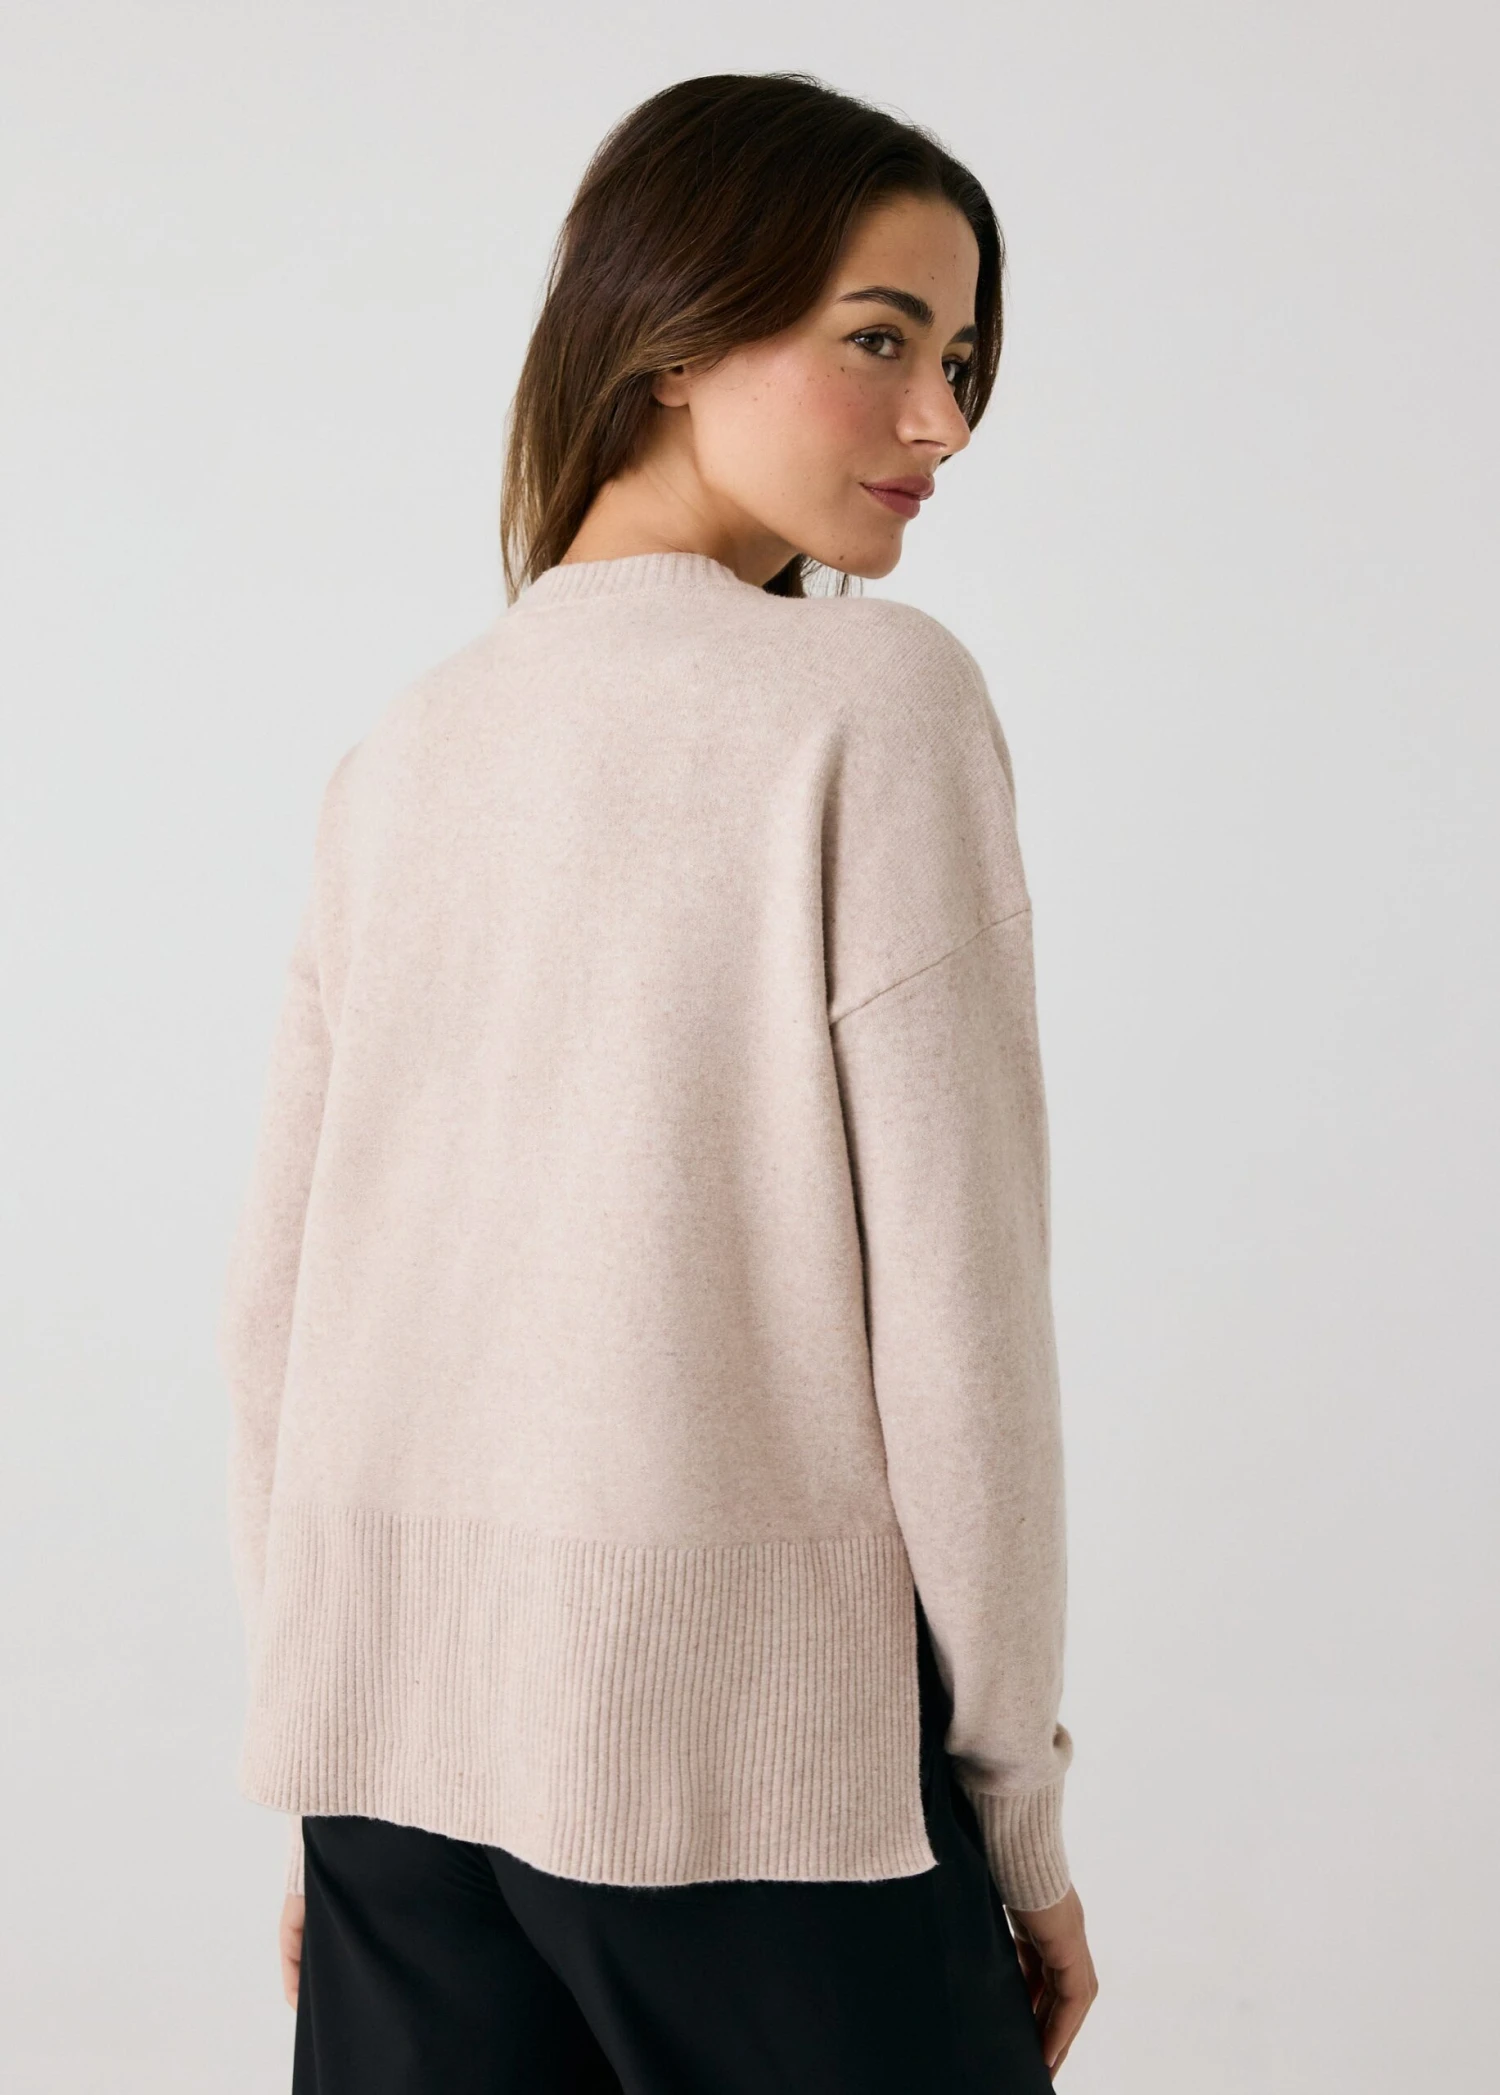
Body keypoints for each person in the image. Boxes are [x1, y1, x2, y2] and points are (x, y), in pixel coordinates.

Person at [219, 69, 1098, 2092]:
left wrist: (332, 1752)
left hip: (395, 1801)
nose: (944, 421)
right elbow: (958, 1326)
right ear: (674, 331)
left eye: (962, 361)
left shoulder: (408, 749)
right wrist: (1019, 1815)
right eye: (881, 339)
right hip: (768, 1801)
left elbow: (276, 1313)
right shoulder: (873, 702)